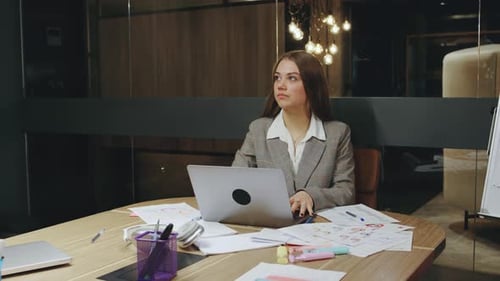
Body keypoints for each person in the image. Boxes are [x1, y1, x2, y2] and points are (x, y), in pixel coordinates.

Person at [232, 50, 355, 218]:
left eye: (292, 78)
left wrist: (311, 196)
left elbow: (346, 191)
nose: (281, 85)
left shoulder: (337, 133)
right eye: (277, 77)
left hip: (316, 231)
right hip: (268, 225)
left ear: (312, 86)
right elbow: (235, 180)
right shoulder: (258, 130)